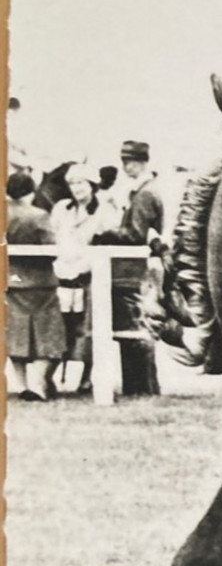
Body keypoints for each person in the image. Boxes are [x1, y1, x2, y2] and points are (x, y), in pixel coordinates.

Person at [93, 139, 165, 396]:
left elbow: (135, 234)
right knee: (133, 328)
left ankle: (141, 387)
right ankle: (141, 386)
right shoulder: (145, 190)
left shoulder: (145, 194)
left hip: (131, 269)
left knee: (134, 329)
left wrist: (105, 233)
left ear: (142, 162)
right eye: (124, 162)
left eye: (130, 162)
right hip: (134, 268)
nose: (126, 167)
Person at [49, 164, 113, 395]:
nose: (76, 188)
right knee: (61, 326)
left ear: (92, 185)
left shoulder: (105, 210)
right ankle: (50, 377)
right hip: (63, 273)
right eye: (72, 183)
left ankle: (88, 378)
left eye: (81, 183)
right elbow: (54, 237)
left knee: (87, 328)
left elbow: (107, 240)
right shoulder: (62, 209)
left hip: (90, 275)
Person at [6, 170, 66, 400]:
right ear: (31, 191)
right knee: (48, 334)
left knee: (15, 334)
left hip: (10, 282)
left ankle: (21, 386)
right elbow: (51, 250)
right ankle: (38, 384)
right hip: (39, 284)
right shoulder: (39, 216)